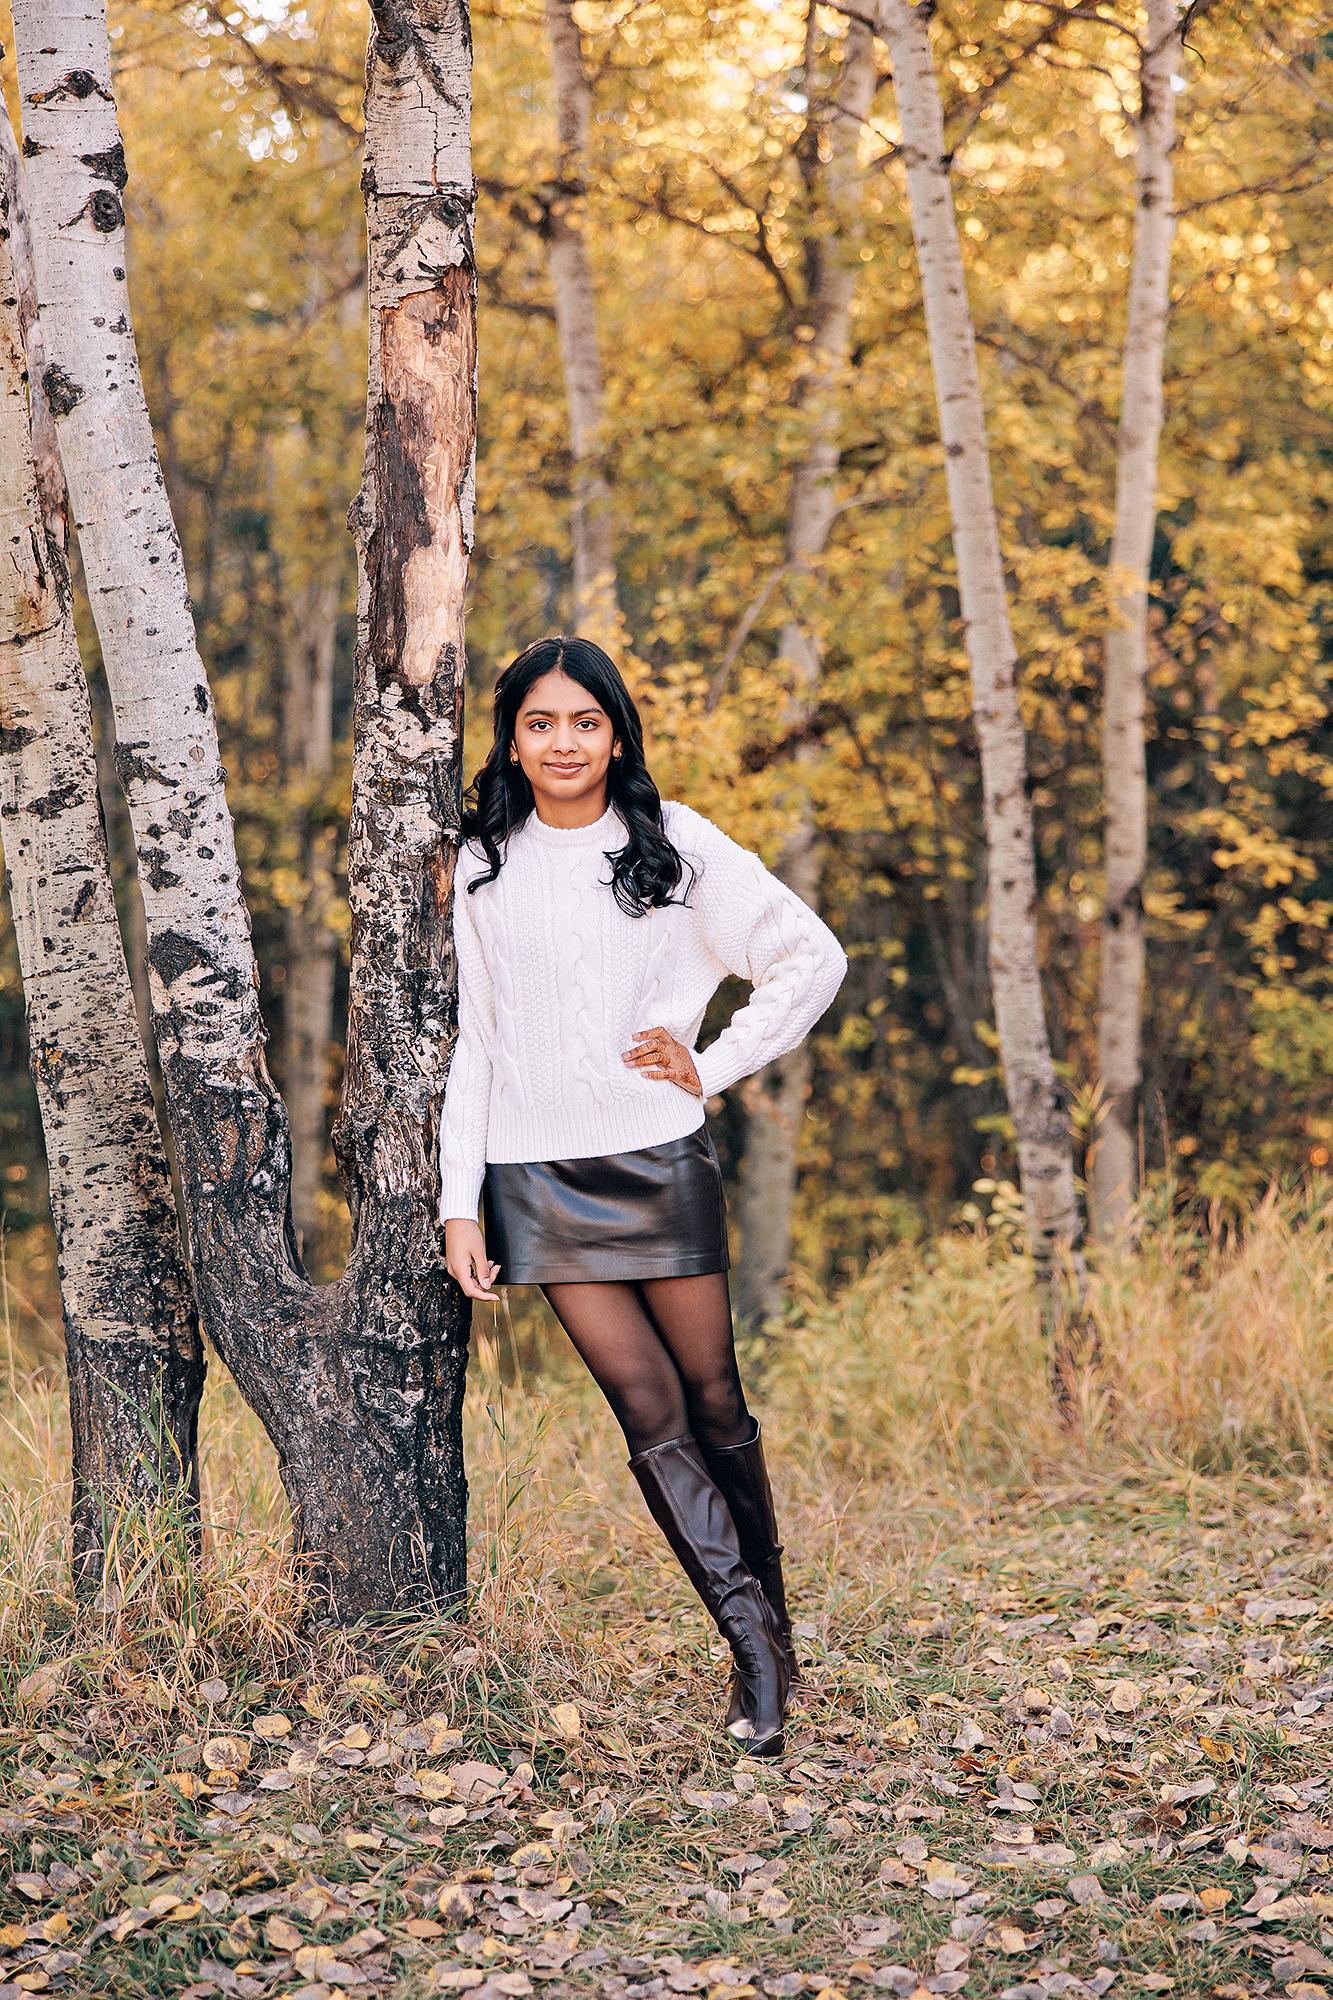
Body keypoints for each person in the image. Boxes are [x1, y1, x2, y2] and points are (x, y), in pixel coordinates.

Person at [439, 634, 847, 1757]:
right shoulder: (479, 858)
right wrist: (457, 1198)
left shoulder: (671, 847)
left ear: (615, 732)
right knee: (648, 1413)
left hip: (657, 1159)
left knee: (714, 1399)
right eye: (538, 723)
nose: (561, 743)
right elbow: (477, 1039)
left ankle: (773, 1628)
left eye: (583, 722)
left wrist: (707, 1063)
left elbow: (809, 958)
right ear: (511, 739)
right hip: (535, 1176)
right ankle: (754, 1647)